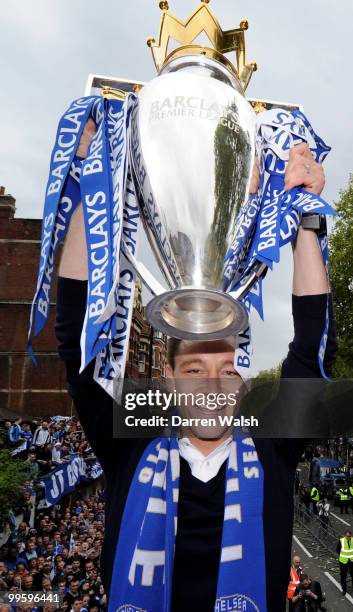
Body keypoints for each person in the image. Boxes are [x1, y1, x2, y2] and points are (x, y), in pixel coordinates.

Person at [55, 122, 337, 612]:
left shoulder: (271, 448)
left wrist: (308, 219)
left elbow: (314, 349)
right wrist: (90, 179)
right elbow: (76, 337)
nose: (211, 384)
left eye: (226, 369)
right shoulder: (130, 441)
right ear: (165, 377)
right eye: (194, 369)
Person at [337, 530, 353, 595]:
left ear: (351, 536)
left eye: (349, 536)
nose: (348, 537)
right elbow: (337, 549)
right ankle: (344, 589)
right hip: (343, 561)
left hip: (352, 561)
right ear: (345, 535)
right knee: (343, 576)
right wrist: (343, 555)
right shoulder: (341, 540)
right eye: (347, 536)